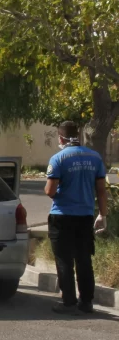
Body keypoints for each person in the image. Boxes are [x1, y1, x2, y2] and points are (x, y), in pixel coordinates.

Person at [45, 121, 108, 315]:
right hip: (85, 216)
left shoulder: (58, 159)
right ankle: (86, 302)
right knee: (83, 259)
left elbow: (50, 190)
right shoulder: (95, 157)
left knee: (64, 259)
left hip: (62, 216)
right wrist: (103, 215)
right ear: (78, 135)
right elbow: (101, 190)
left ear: (61, 138)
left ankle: (68, 301)